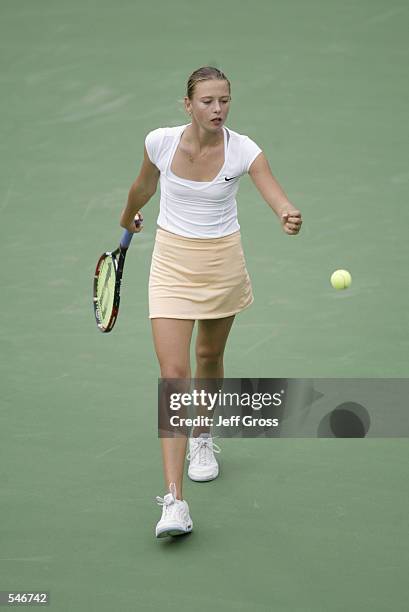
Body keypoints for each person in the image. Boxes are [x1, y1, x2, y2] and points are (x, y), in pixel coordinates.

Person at [120, 66, 302, 539]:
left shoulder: (244, 150)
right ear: (188, 105)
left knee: (209, 357)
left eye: (223, 100)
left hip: (221, 264)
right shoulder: (159, 142)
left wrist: (286, 211)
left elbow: (271, 188)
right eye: (207, 101)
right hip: (171, 266)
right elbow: (143, 188)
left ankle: (203, 435)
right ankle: (174, 501)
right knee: (174, 374)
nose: (217, 109)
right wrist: (128, 216)